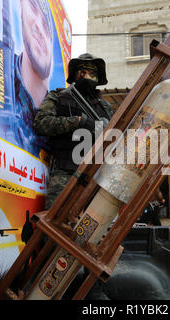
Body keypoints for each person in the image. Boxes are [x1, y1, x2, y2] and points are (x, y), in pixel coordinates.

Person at [0, 0, 55, 157]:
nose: (39, 26)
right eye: (33, 8)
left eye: (47, 27)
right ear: (21, 9)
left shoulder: (58, 109)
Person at [33, 53, 113, 210]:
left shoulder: (105, 108)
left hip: (96, 176)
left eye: (92, 74)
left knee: (92, 229)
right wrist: (76, 121)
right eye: (82, 72)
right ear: (75, 75)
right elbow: (41, 123)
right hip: (64, 173)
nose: (87, 77)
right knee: (55, 224)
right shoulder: (58, 97)